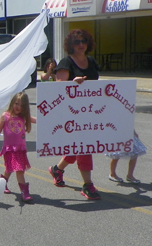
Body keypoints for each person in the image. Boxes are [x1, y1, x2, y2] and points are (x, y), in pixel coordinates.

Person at [48, 29, 102, 200]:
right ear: (70, 45)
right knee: (84, 148)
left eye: (84, 41)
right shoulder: (66, 63)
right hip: (71, 114)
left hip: (89, 112)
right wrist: (72, 84)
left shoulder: (91, 62)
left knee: (75, 148)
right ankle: (88, 185)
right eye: (77, 42)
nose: (81, 45)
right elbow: (58, 90)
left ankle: (57, 170)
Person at [0, 91, 36, 202]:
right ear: (12, 103)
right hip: (9, 148)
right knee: (17, 169)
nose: (18, 107)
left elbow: (35, 120)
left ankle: (2, 184)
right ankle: (24, 192)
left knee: (11, 169)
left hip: (20, 149)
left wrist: (48, 120)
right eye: (17, 104)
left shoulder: (23, 116)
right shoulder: (5, 116)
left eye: (22, 106)